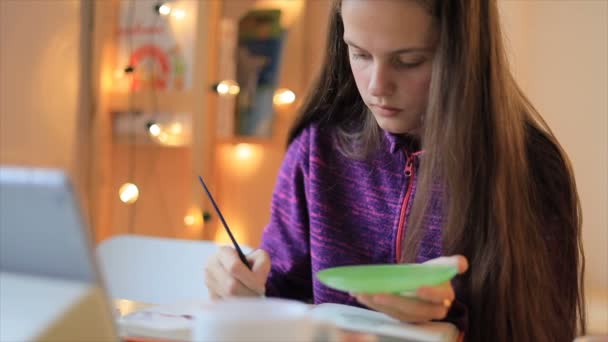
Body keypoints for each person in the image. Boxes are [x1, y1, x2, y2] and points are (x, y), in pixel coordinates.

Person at [205, 1, 586, 341]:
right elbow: (282, 293)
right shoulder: (317, 150)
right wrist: (244, 286)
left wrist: (449, 325)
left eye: (409, 61)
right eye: (359, 54)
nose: (377, 87)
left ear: (464, 53)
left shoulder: (531, 171)